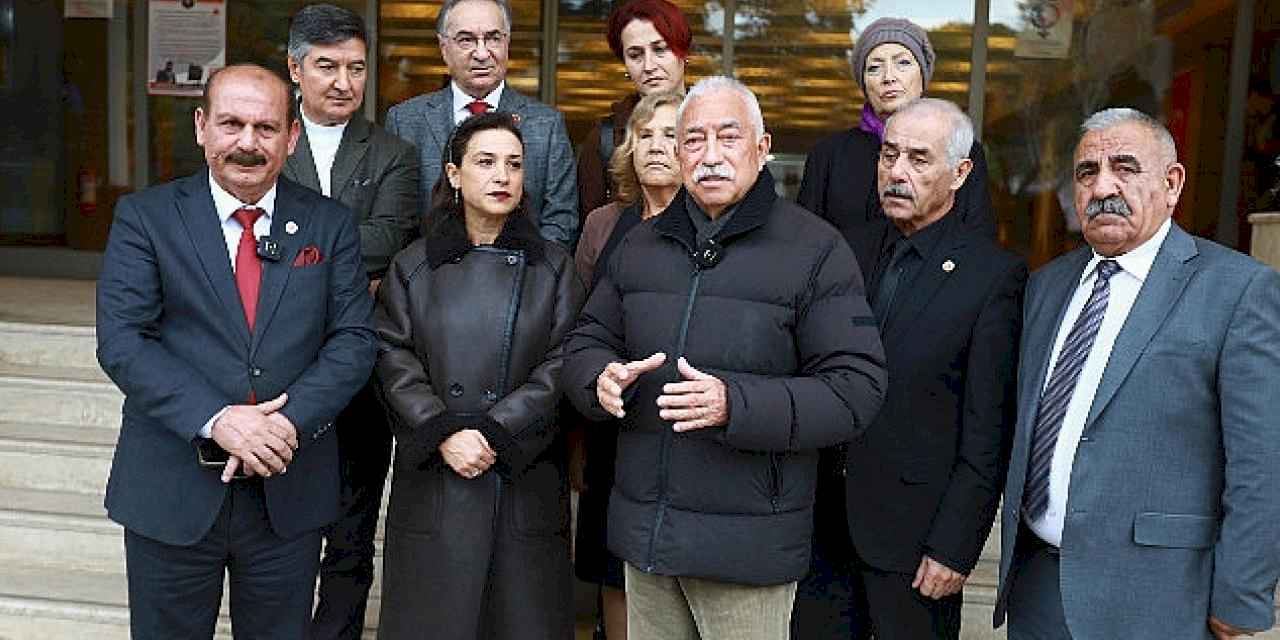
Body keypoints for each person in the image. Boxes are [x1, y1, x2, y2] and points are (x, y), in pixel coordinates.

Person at [564, 76, 887, 640]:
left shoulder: (815, 250)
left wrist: (736, 404)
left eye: (728, 137)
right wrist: (599, 378)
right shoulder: (641, 245)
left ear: (762, 149)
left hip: (747, 550)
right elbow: (586, 341)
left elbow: (856, 388)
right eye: (694, 139)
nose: (710, 155)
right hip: (647, 538)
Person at [95, 64, 376, 639]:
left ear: (291, 137)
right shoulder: (146, 218)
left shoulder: (329, 224)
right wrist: (218, 419)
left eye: (266, 128)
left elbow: (353, 340)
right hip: (171, 487)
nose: (247, 143)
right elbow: (123, 339)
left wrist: (283, 426)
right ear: (201, 126)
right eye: (231, 124)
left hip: (287, 489)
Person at [995, 108, 1280, 639]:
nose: (1103, 187)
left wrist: (1240, 595)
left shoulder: (1239, 290)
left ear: (1172, 184)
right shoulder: (1046, 285)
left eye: (1125, 168)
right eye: (1087, 172)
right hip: (1038, 588)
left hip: (1158, 599)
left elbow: (1263, 464)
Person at [792, 19, 997, 635]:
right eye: (889, 156)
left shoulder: (991, 277)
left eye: (918, 159)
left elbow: (986, 426)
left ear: (960, 174)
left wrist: (956, 545)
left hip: (916, 538)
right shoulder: (843, 253)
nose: (897, 171)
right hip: (826, 531)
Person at [374, 111, 585, 640]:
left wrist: (495, 430)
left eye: (514, 164)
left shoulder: (553, 267)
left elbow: (565, 359)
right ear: (453, 174)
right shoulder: (413, 265)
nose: (502, 176)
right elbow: (392, 356)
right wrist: (445, 431)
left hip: (521, 475)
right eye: (486, 162)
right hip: (437, 476)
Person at [279, 5, 420, 639]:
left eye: (357, 68)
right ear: (296, 68)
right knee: (279, 528)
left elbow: (389, 239)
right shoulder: (266, 140)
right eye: (328, 66)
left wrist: (291, 248)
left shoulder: (394, 153)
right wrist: (341, 260)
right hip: (276, 365)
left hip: (361, 369)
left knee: (351, 530)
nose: (344, 82)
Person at [571, 89, 682, 640]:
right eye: (644, 135)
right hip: (611, 419)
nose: (655, 146)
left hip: (682, 419)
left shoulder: (712, 222)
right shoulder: (602, 223)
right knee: (611, 565)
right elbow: (578, 325)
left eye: (671, 135)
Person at [797, 17, 995, 278]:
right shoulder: (829, 153)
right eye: (874, 68)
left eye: (902, 63)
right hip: (841, 288)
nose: (888, 77)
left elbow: (978, 239)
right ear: (863, 83)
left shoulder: (963, 150)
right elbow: (804, 242)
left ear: (923, 76)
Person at [386, 0, 578, 246]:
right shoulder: (405, 121)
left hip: (524, 267)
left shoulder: (547, 124)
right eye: (466, 40)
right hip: (430, 267)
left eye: (493, 38)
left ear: (507, 43)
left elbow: (561, 221)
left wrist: (525, 269)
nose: (482, 53)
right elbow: (399, 223)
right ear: (444, 48)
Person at [576, 0, 690, 221]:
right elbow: (591, 229)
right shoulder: (605, 138)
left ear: (683, 52)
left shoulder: (715, 122)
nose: (649, 66)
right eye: (635, 55)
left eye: (660, 49)